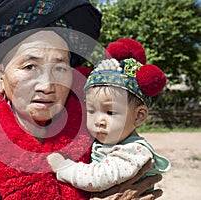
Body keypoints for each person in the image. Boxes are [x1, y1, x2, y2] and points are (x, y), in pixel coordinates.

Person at [0, 1, 163, 199]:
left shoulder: (97, 133)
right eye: (30, 67)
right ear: (0, 76)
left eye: (60, 67)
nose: (47, 86)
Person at [47, 38, 171, 193]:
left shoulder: (134, 150)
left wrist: (63, 167)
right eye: (91, 111)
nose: (99, 121)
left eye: (110, 112)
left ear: (139, 116)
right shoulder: (106, 142)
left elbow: (98, 179)